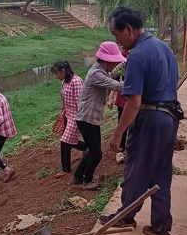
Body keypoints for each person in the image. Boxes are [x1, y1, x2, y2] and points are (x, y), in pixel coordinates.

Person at [101, 6, 182, 235]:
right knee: (161, 172)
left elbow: (134, 102)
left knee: (136, 169)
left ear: (128, 29)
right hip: (169, 118)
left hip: (150, 118)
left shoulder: (136, 55)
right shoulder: (163, 48)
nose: (117, 41)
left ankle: (125, 217)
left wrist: (118, 134)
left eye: (116, 35)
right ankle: (161, 227)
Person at [72, 42, 125, 190]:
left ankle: (77, 176)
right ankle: (87, 181)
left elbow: (113, 75)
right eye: (114, 62)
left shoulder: (101, 70)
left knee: (91, 149)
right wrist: (137, 82)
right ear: (106, 60)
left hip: (89, 118)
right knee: (97, 153)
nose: (115, 65)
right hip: (86, 118)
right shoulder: (96, 74)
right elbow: (116, 85)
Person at [51, 61, 86, 178]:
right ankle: (87, 148)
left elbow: (81, 101)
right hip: (67, 114)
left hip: (76, 116)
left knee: (65, 141)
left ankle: (66, 169)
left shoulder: (76, 82)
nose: (57, 76)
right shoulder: (64, 82)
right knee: (69, 139)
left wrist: (80, 119)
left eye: (57, 73)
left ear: (63, 71)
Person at [107, 46, 129, 164]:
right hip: (123, 98)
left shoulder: (142, 59)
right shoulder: (122, 63)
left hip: (138, 99)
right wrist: (110, 98)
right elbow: (114, 81)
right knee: (122, 123)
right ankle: (120, 151)